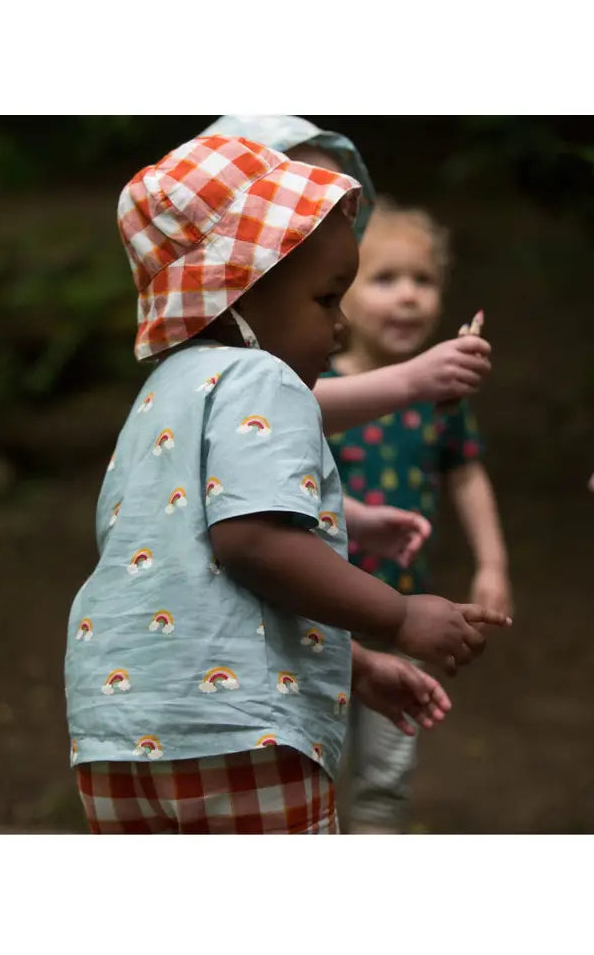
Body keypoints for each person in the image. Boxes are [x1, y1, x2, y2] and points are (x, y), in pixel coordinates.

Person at [65, 134, 510, 835]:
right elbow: (255, 544)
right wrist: (397, 618)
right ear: (239, 290)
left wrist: (354, 667)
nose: (339, 325)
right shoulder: (263, 378)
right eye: (326, 298)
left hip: (115, 737)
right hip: (245, 734)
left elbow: (200, 589)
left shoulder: (162, 393)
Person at [203, 115, 493, 573]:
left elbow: (294, 476)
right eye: (327, 297)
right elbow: (287, 411)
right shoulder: (229, 373)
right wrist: (416, 379)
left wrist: (354, 520)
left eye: (422, 279)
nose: (408, 295)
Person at [327, 198, 513, 833]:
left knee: (387, 774)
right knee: (315, 765)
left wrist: (492, 561)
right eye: (385, 279)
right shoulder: (311, 387)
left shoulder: (442, 393)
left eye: (423, 280)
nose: (408, 296)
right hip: (317, 611)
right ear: (337, 295)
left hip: (405, 608)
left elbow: (466, 474)